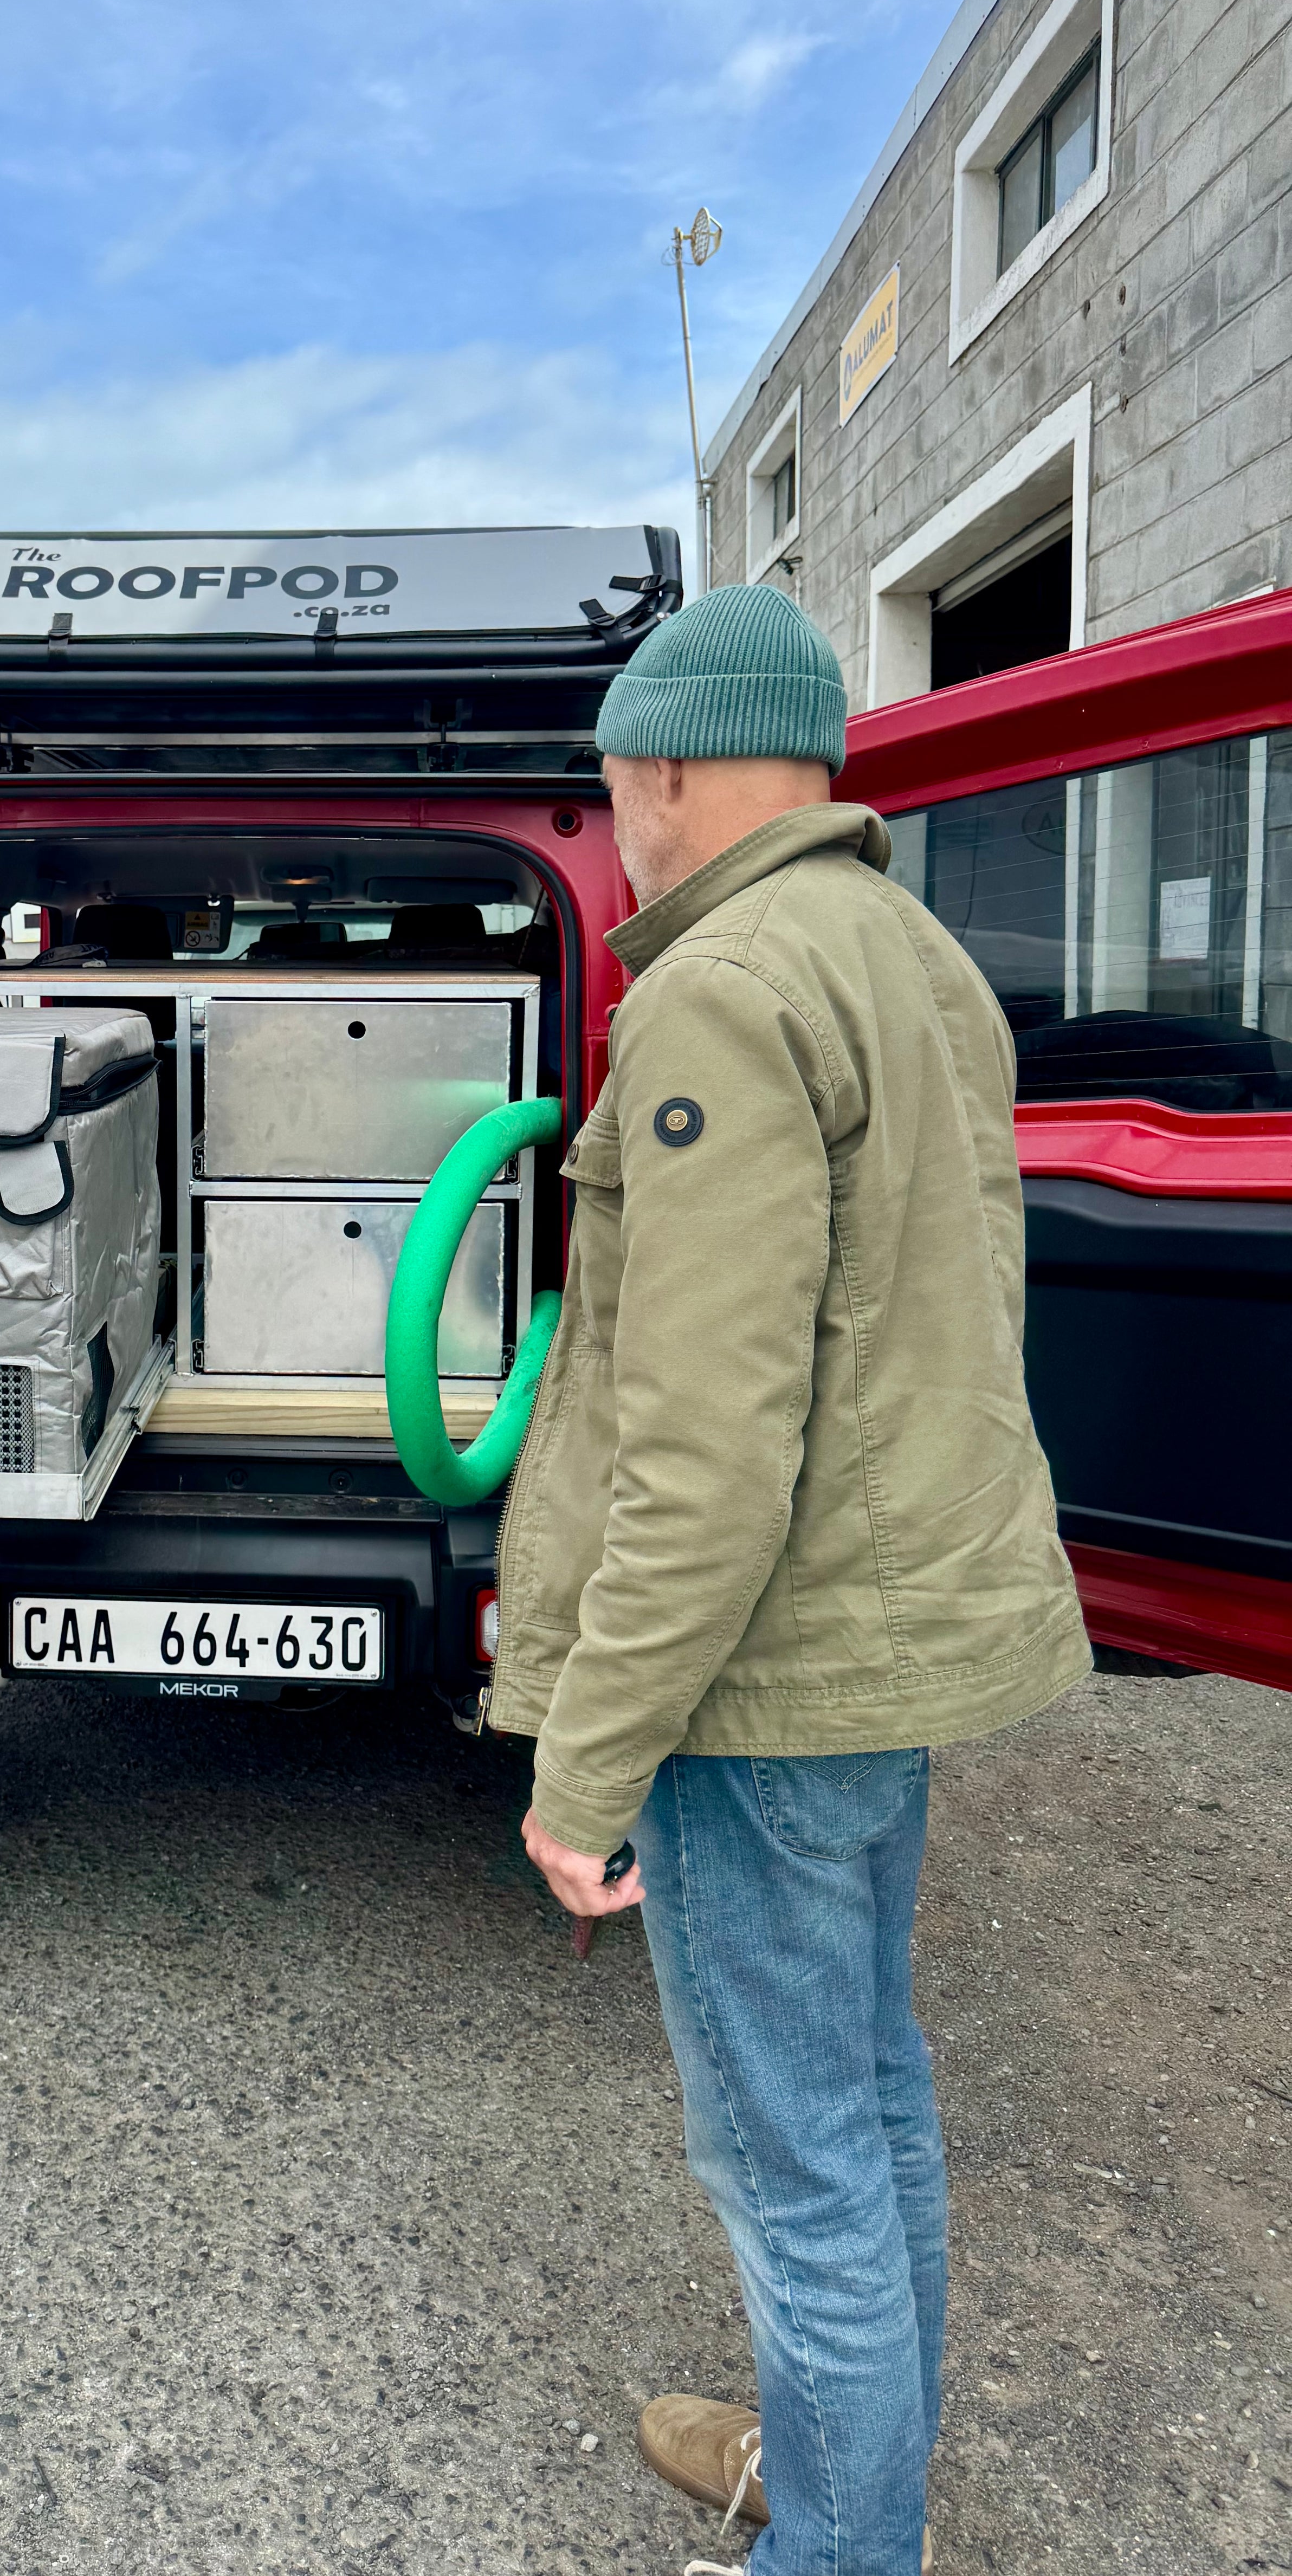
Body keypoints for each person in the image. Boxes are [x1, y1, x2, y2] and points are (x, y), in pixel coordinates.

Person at [488, 585, 1089, 2575]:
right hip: (883, 1641)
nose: (619, 834)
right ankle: (843, 2471)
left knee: (793, 2152)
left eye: (616, 795)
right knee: (870, 2097)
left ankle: (839, 2545)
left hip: (765, 1678)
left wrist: (585, 1766)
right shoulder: (916, 955)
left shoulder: (722, 991)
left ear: (660, 767)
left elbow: (709, 1450)